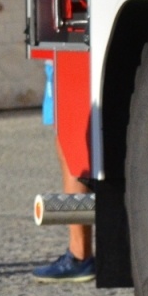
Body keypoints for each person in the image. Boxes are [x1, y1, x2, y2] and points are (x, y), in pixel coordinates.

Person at [31, 60, 96, 282]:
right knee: (73, 134)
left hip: (70, 54)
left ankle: (79, 255)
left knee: (71, 135)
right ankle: (80, 253)